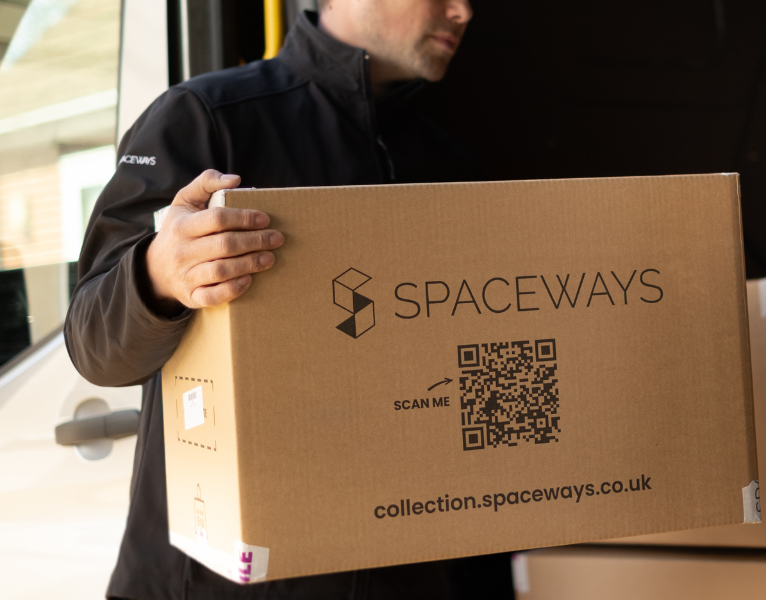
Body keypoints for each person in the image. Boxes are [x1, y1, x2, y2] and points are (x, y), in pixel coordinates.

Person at [63, 0, 507, 598]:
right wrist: (156, 275)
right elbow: (93, 344)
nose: (463, 10)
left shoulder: (450, 163)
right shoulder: (206, 118)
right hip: (220, 582)